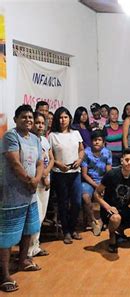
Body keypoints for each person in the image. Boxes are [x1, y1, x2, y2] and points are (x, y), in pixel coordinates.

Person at [0, 105, 43, 293]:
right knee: (7, 236)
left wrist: (36, 180)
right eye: (24, 117)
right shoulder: (11, 136)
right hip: (13, 193)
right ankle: (3, 275)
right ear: (16, 119)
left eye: (30, 117)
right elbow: (14, 162)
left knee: (29, 228)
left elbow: (41, 162)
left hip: (30, 192)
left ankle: (23, 260)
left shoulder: (35, 138)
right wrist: (29, 181)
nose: (28, 120)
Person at [93, 148, 130, 253]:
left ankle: (120, 231)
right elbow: (96, 194)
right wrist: (107, 207)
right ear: (121, 161)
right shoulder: (112, 174)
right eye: (126, 160)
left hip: (124, 209)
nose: (129, 163)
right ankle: (112, 236)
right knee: (116, 218)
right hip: (109, 211)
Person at [49, 107, 85, 244]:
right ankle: (66, 232)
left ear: (69, 118)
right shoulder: (52, 136)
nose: (63, 120)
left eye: (65, 117)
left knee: (76, 202)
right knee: (63, 203)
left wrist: (80, 160)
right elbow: (50, 155)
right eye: (60, 117)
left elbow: (81, 150)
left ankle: (73, 227)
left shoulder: (76, 133)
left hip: (75, 172)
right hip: (60, 174)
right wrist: (58, 164)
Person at [28, 112, 54, 258]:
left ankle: (35, 246)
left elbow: (51, 158)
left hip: (46, 182)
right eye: (37, 122)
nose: (40, 125)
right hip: (34, 184)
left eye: (42, 123)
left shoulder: (44, 140)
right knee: (35, 216)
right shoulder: (29, 140)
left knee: (42, 215)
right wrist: (41, 176)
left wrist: (46, 173)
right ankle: (28, 251)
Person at [81, 130, 112, 236]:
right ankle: (93, 220)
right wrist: (96, 186)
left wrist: (102, 186)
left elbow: (109, 173)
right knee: (85, 197)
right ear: (91, 141)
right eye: (95, 140)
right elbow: (84, 174)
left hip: (103, 182)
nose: (97, 142)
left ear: (103, 142)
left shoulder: (107, 152)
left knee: (109, 195)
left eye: (99, 140)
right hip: (89, 181)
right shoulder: (86, 152)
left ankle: (104, 220)